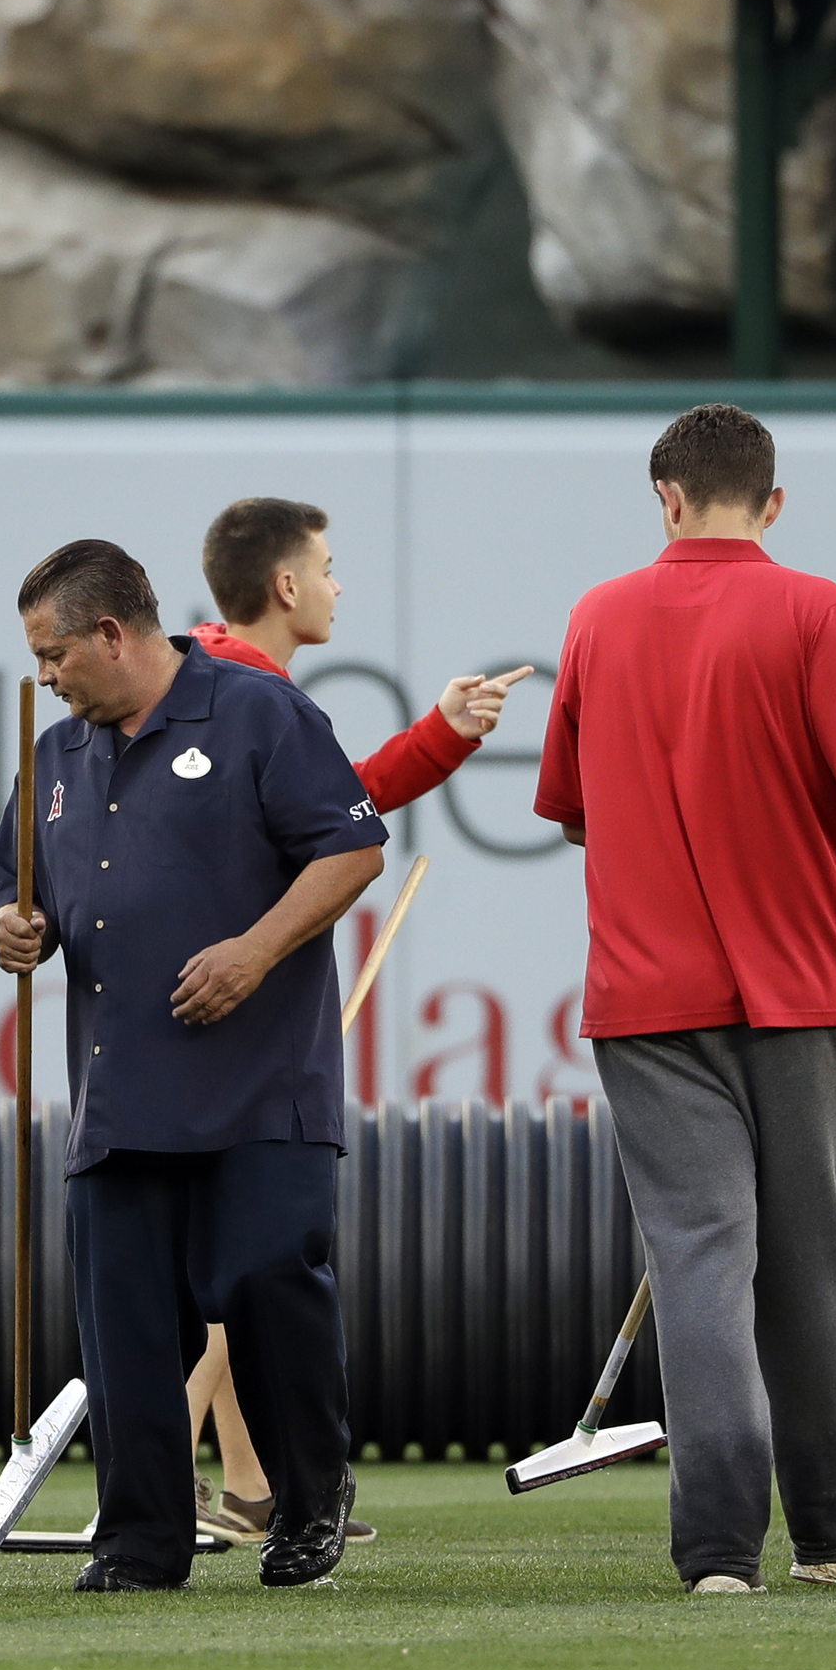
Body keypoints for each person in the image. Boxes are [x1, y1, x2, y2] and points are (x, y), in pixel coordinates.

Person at [532, 402, 836, 1594]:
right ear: (771, 502)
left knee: (699, 1261)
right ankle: (833, 1526)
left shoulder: (598, 614)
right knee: (808, 1265)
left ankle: (718, 1546)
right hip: (798, 992)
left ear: (665, 497)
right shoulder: (817, 607)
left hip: (647, 995)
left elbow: (575, 806)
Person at [0, 540, 386, 1591]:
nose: (43, 676)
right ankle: (139, 1539)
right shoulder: (56, 754)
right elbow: (19, 884)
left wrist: (256, 950)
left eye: (53, 652)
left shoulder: (260, 714)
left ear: (113, 633)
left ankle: (309, 1499)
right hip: (119, 1095)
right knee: (123, 1328)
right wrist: (17, 928)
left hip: (262, 1086)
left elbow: (350, 849)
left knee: (265, 1283)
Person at [180, 495, 530, 1544]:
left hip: (216, 1019)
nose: (337, 583)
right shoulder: (242, 692)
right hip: (234, 1026)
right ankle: (187, 1488)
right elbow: (335, 825)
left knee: (227, 1263)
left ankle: (247, 1483)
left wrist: (440, 735)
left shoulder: (225, 684)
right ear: (285, 586)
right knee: (241, 1262)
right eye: (327, 566)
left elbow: (336, 809)